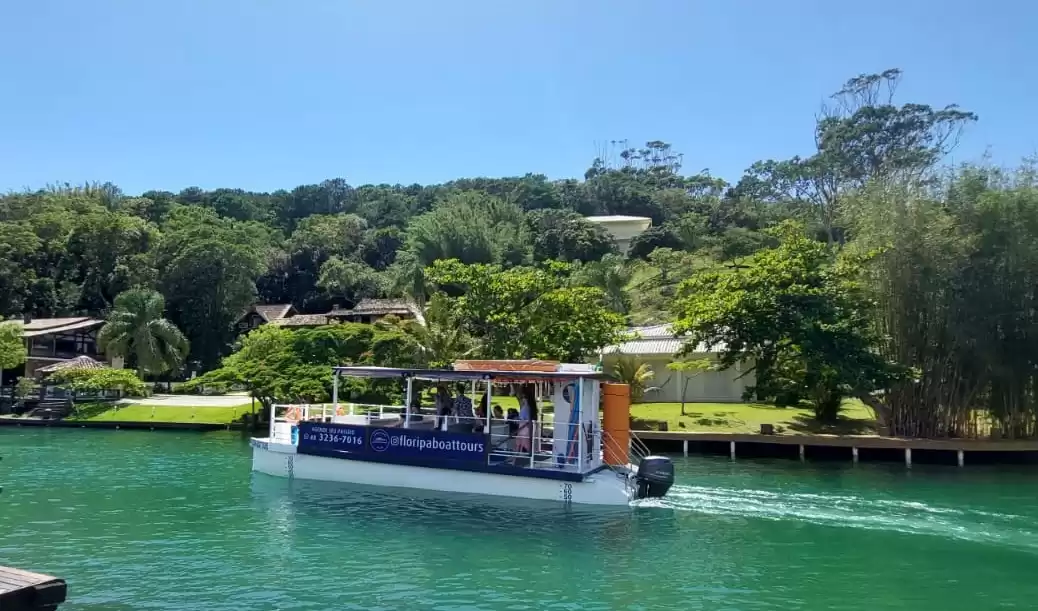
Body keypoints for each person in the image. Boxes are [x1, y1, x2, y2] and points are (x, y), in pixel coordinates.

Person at [514, 383, 538, 460]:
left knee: (522, 444)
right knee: (522, 444)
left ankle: (518, 460)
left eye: (523, 397)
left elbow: (524, 418)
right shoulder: (529, 406)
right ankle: (518, 459)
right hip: (525, 427)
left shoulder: (526, 407)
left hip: (524, 428)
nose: (522, 398)